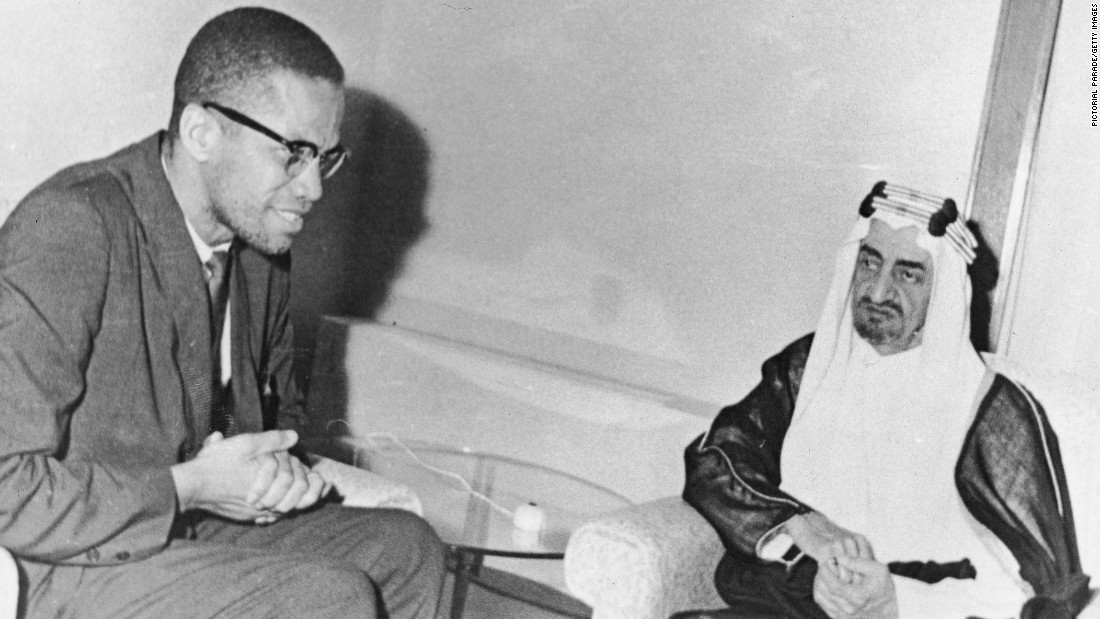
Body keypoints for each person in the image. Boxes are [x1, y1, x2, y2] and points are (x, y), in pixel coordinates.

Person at [0, 8, 445, 618]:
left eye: (325, 158)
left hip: (186, 527)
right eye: (293, 153)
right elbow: (5, 485)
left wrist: (270, 471)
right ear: (202, 133)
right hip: (71, 557)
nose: (313, 188)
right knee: (330, 598)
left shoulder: (260, 249)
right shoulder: (72, 228)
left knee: (407, 549)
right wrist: (191, 485)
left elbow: (274, 414)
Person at [681, 183, 1089, 618]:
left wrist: (897, 600)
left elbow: (1043, 593)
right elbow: (715, 458)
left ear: (944, 291)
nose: (877, 292)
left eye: (908, 274)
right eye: (869, 263)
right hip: (795, 602)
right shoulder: (808, 366)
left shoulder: (992, 408)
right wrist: (800, 524)